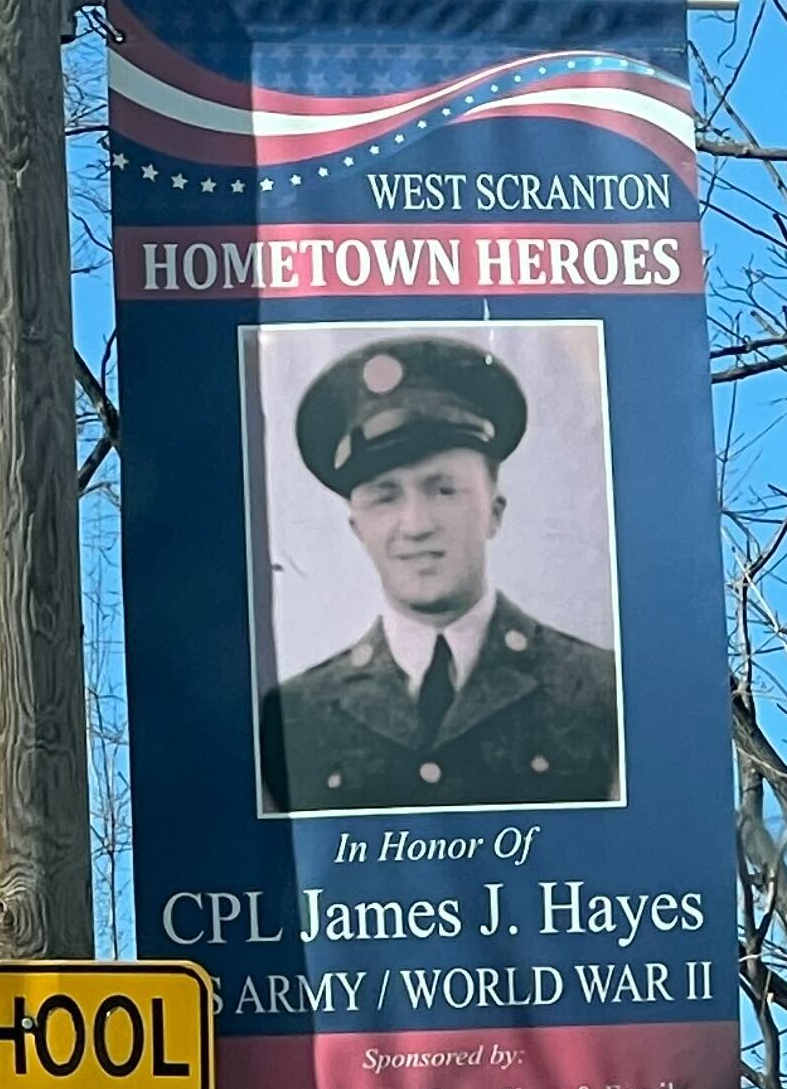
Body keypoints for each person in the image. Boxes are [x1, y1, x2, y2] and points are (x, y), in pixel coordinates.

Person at [258, 335, 623, 812]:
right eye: (385, 496)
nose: (416, 525)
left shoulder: (598, 690)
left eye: (443, 490)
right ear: (357, 526)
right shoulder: (293, 716)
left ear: (495, 510)